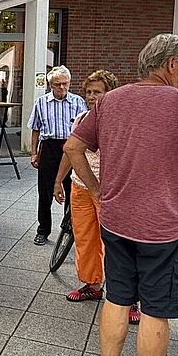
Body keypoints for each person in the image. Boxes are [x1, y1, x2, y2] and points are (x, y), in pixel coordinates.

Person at [64, 34, 178, 356]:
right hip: (165, 227)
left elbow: (72, 148)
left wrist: (98, 192)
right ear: (170, 65)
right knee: (155, 309)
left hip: (116, 221)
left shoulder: (111, 101)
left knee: (116, 298)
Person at [53, 70, 125, 313]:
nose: (92, 96)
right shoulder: (82, 118)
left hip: (109, 191)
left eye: (98, 92)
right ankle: (92, 285)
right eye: (89, 92)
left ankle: (128, 296)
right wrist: (58, 181)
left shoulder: (120, 121)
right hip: (80, 187)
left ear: (111, 93)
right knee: (85, 239)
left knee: (117, 243)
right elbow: (70, 151)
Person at [29, 66, 87, 245]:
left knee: (72, 189)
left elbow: (85, 129)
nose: (62, 88)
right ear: (50, 85)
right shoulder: (41, 102)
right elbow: (35, 128)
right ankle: (43, 230)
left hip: (71, 147)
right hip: (49, 147)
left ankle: (70, 227)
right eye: (57, 84)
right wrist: (34, 153)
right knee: (45, 192)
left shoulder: (78, 102)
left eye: (65, 84)